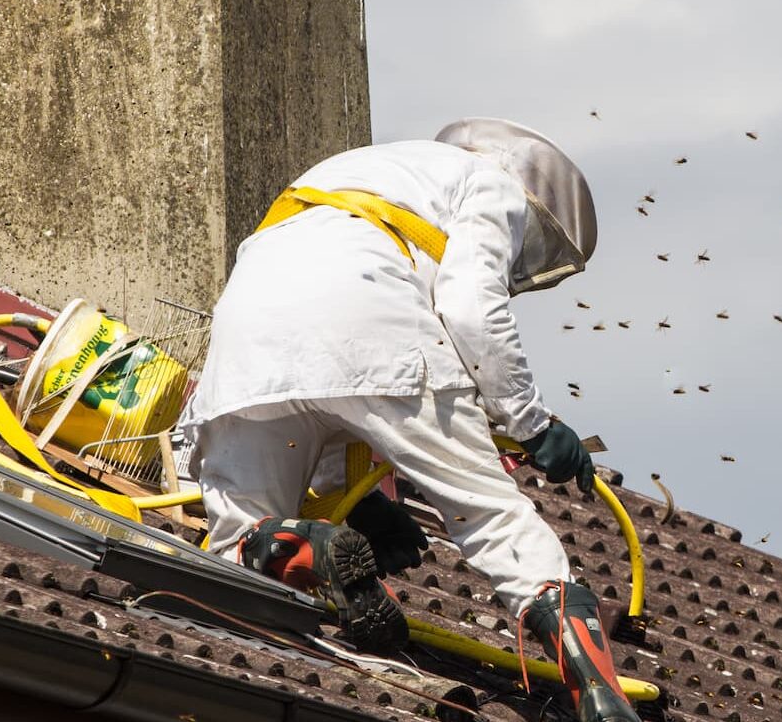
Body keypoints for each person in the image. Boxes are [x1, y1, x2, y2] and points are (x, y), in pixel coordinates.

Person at [182, 118, 638, 720]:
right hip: (374, 318)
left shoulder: (362, 170)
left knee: (233, 547)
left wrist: (360, 503)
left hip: (247, 335)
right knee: (495, 521)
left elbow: (323, 386)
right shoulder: (490, 182)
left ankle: (304, 547)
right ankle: (602, 698)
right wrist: (533, 424)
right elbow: (470, 308)